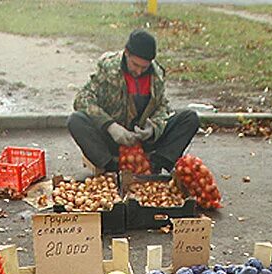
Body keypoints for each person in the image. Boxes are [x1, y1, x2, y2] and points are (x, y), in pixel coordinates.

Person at [69, 28, 199, 174]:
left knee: (189, 118)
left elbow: (162, 107)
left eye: (144, 67)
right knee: (76, 120)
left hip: (143, 139)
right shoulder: (109, 68)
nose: (139, 71)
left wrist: (153, 129)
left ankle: (155, 164)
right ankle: (112, 167)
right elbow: (82, 98)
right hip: (113, 139)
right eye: (135, 65)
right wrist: (110, 126)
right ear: (126, 53)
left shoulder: (156, 74)